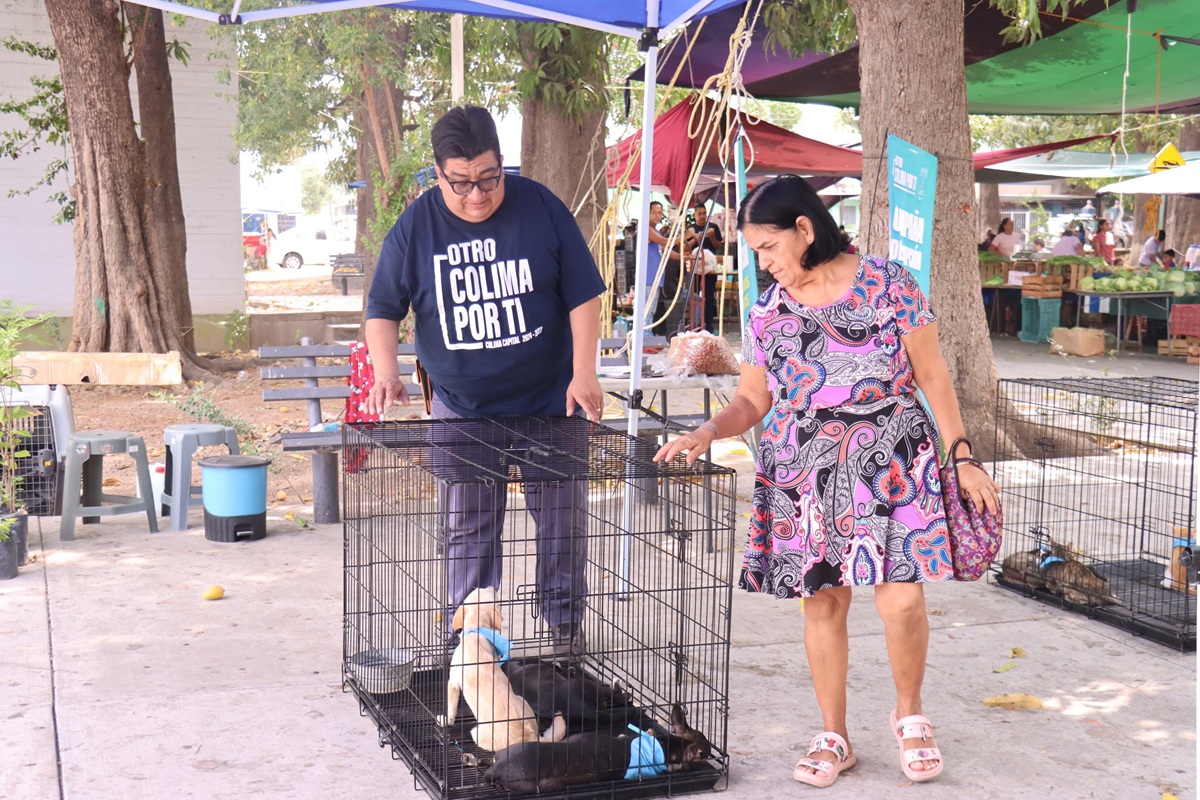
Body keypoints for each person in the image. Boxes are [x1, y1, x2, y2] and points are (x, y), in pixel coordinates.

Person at [654, 175, 998, 788]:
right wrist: (708, 430)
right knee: (824, 601)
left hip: (894, 460)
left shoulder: (890, 285)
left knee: (903, 599)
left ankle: (910, 715)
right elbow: (753, 399)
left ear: (805, 230)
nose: (763, 263)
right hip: (806, 472)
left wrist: (962, 454)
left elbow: (933, 375)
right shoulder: (769, 310)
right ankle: (834, 734)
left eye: (767, 247)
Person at [364, 105, 606, 653]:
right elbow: (382, 306)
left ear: (502, 163)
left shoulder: (541, 207)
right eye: (462, 183)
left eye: (489, 178)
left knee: (563, 524)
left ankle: (565, 635)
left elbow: (584, 295)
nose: (477, 194)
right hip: (463, 405)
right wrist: (387, 371)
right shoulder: (416, 226)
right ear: (438, 173)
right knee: (470, 531)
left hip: (551, 401)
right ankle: (474, 642)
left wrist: (583, 372)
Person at [688, 201, 726, 332]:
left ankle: (708, 326)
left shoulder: (713, 227)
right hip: (694, 271)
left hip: (710, 271)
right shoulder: (690, 229)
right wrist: (695, 239)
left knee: (709, 298)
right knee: (694, 298)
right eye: (700, 214)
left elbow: (718, 246)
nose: (703, 216)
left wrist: (712, 238)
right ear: (694, 215)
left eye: (704, 213)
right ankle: (695, 325)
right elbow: (685, 248)